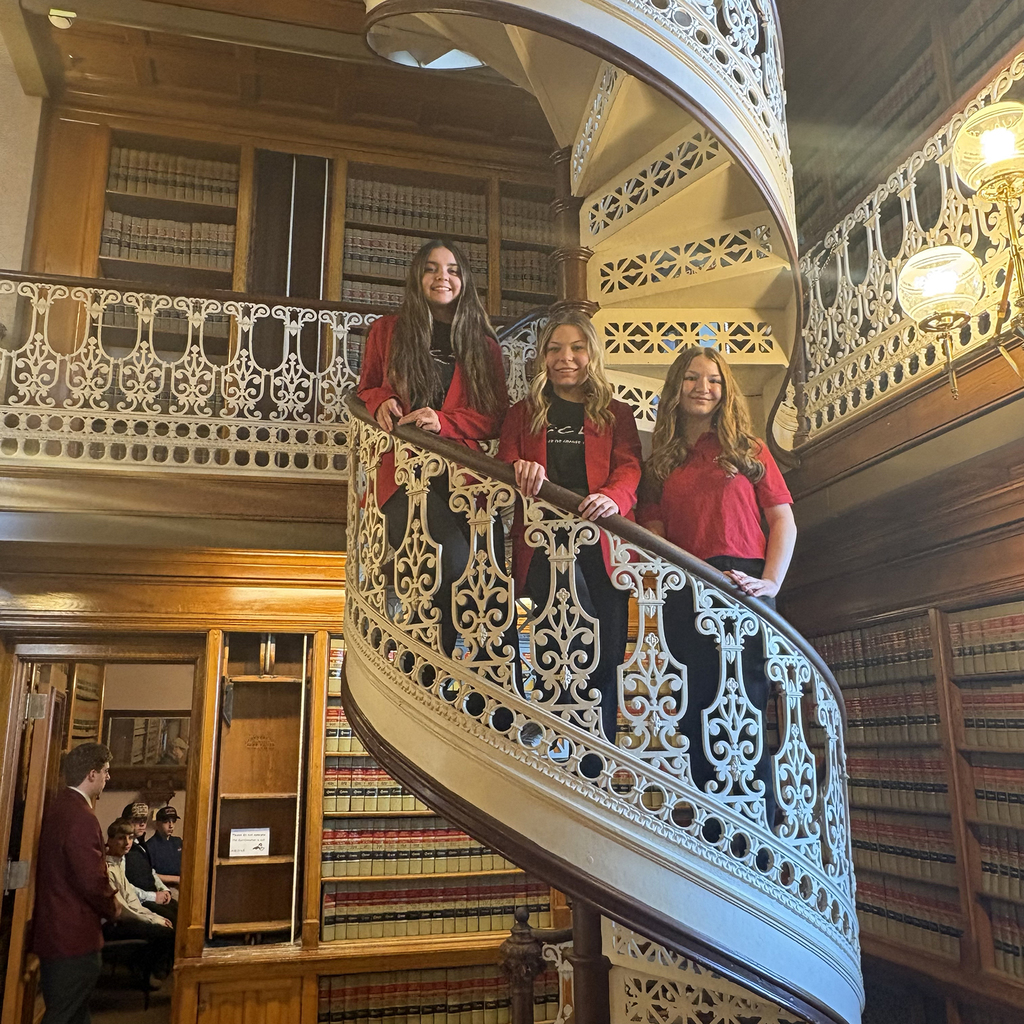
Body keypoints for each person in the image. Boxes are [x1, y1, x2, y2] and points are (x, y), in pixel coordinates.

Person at [638, 345, 796, 825]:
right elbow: (655, 536)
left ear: (725, 391)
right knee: (698, 704)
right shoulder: (661, 462)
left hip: (745, 583)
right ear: (675, 387)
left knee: (747, 703)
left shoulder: (748, 448)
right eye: (691, 378)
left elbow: (783, 520)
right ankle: (713, 825)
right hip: (688, 584)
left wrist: (770, 583)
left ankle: (760, 830)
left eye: (713, 380)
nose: (703, 388)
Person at [357, 239, 509, 656]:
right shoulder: (387, 330)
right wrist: (379, 400)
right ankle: (423, 668)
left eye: (453, 269)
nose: (443, 276)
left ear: (465, 280)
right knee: (449, 562)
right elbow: (364, 390)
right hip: (405, 477)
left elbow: (495, 416)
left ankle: (490, 691)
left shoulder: (484, 345)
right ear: (417, 277)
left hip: (468, 478)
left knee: (490, 583)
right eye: (432, 268)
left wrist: (444, 421)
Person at [498, 310, 642, 744]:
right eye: (555, 348)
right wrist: (516, 465)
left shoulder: (617, 414)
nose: (566, 358)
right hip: (541, 543)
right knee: (543, 645)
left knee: (606, 648)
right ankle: (547, 746)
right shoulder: (522, 414)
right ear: (542, 357)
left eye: (577, 348)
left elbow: (631, 468)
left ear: (591, 355)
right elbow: (503, 463)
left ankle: (599, 754)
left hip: (601, 543)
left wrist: (612, 497)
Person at [31, 742, 119, 1024]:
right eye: (105, 771)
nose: (108, 777)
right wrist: (113, 907)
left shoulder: (61, 807)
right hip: (72, 939)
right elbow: (92, 880)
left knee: (76, 1014)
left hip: (58, 933)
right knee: (64, 1014)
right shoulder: (81, 816)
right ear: (91, 774)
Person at [103, 819, 175, 979]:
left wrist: (153, 916)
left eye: (130, 837)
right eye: (121, 838)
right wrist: (151, 920)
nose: (127, 843)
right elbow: (122, 908)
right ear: (110, 840)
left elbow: (131, 898)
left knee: (169, 923)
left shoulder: (120, 862)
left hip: (127, 915)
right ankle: (144, 971)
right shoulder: (107, 868)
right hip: (113, 922)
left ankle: (150, 970)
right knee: (163, 934)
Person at [121, 801, 177, 926]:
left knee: (183, 914)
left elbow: (151, 872)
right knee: (172, 923)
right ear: (126, 822)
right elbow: (124, 886)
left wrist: (164, 889)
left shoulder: (141, 845)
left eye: (144, 820)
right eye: (136, 820)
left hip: (154, 896)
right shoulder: (122, 848)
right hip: (140, 901)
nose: (142, 824)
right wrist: (153, 896)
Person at [146, 806, 182, 886]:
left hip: (182, 884)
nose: (171, 825)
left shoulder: (177, 842)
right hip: (162, 887)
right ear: (158, 824)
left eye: (173, 821)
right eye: (166, 822)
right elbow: (149, 874)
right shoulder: (150, 846)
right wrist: (176, 879)